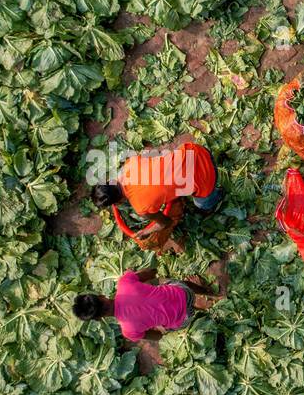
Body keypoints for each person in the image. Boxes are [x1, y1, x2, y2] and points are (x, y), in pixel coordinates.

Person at [93, 141, 222, 253]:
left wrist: (145, 232)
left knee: (202, 204)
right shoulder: (130, 164)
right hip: (195, 150)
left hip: (207, 177)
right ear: (110, 180)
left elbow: (166, 223)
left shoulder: (140, 207)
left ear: (119, 201)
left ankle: (219, 195)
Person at [72, 268, 218, 342]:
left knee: (166, 323)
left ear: (99, 319)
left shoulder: (128, 331)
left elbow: (157, 337)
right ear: (101, 296)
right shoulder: (124, 283)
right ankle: (207, 292)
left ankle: (203, 310)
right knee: (164, 283)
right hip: (185, 293)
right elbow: (152, 272)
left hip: (184, 319)